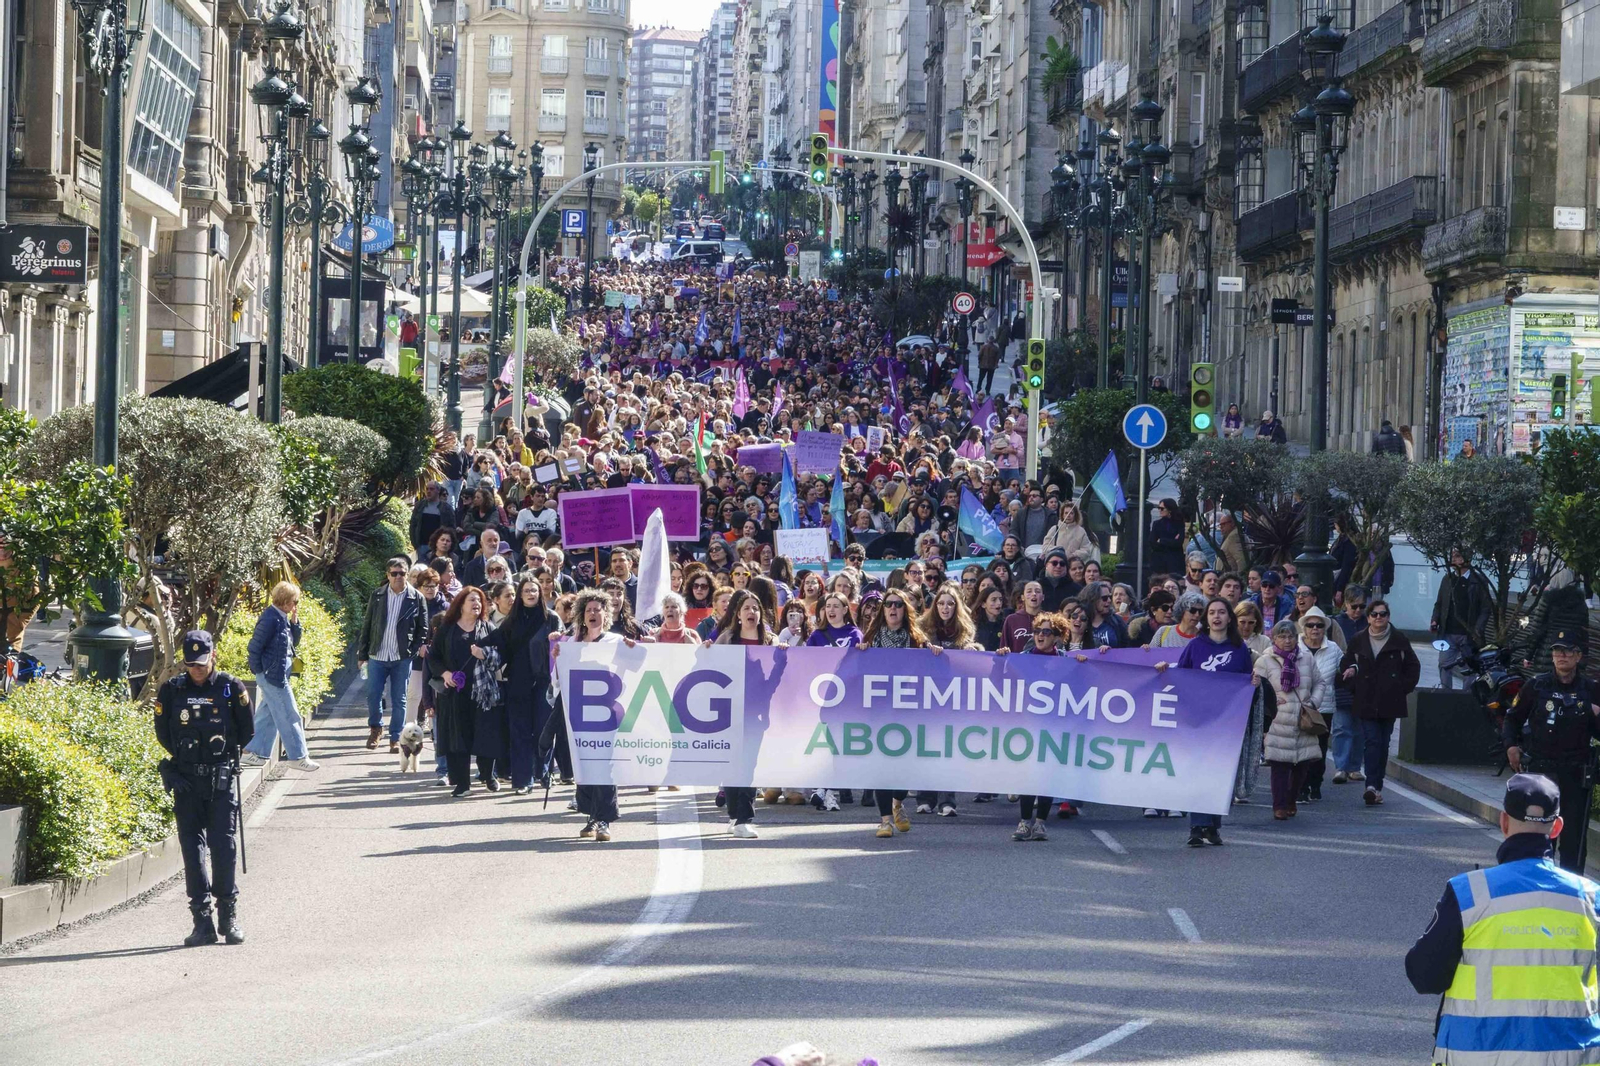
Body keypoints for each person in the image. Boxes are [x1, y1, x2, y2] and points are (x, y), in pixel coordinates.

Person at [1405, 773, 1600, 1064]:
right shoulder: (1591, 897)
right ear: (1556, 827)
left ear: (1504, 822)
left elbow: (1424, 976)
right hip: (1573, 1057)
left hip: (1476, 1056)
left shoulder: (1468, 892)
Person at [154, 630, 254, 946]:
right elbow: (163, 733)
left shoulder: (230, 688)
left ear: (212, 656)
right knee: (192, 850)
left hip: (220, 778)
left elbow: (246, 730)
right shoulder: (171, 690)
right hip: (186, 780)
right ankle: (202, 922)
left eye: (202, 663)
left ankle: (229, 918)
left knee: (224, 847)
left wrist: (223, 758)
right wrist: (183, 763)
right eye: (191, 664)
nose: (197, 669)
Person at [1502, 629, 1600, 874]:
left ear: (1578, 656)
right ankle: (1537, 884)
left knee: (1573, 840)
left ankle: (1570, 891)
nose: (1561, 656)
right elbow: (1512, 719)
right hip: (1541, 774)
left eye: (1567, 651)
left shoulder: (1591, 689)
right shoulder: (1536, 685)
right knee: (1539, 835)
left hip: (1576, 774)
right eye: (1557, 651)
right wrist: (1511, 746)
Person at [1159, 597, 1254, 846]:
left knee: (1220, 773)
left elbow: (1246, 682)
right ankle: (1196, 825)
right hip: (1198, 720)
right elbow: (1182, 675)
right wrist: (1163, 670)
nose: (1216, 617)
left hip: (1226, 722)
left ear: (1229, 618)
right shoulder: (1195, 646)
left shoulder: (1239, 649)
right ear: (1206, 618)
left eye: (1222, 612)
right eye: (1212, 612)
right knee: (1198, 770)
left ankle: (1212, 826)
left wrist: (1254, 682)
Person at [1339, 597, 1421, 807]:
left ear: (1388, 617)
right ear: (1368, 618)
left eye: (1382, 614)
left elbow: (1413, 667)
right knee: (1372, 741)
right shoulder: (1359, 639)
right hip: (1366, 698)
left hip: (1390, 700)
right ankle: (1371, 786)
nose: (1378, 618)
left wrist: (1401, 688)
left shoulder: (1399, 639)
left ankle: (1377, 786)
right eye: (1374, 614)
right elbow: (1346, 662)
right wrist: (1352, 683)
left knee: (1383, 744)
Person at [858, 588, 925, 838]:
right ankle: (885, 820)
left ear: (904, 609)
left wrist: (935, 652)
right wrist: (860, 653)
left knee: (906, 768)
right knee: (882, 766)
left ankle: (898, 803)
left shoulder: (916, 639)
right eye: (888, 604)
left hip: (908, 712)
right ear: (883, 609)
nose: (893, 608)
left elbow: (930, 666)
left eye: (898, 604)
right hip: (879, 712)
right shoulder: (872, 638)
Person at [238, 581, 318, 772]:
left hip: (277, 674)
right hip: (273, 676)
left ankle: (252, 751)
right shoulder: (270, 619)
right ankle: (298, 756)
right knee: (290, 714)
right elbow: (255, 647)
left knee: (269, 715)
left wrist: (295, 624)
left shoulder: (281, 617)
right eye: (294, 601)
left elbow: (292, 644)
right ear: (285, 601)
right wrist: (260, 671)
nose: (295, 605)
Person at [715, 589, 773, 839]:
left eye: (756, 608)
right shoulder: (727, 639)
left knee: (749, 765)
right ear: (738, 615)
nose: (752, 612)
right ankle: (734, 816)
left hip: (756, 714)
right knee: (731, 764)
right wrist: (706, 649)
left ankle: (744, 818)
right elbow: (709, 667)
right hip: (730, 712)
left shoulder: (769, 641)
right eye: (747, 608)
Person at [357, 556, 429, 753]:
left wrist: (411, 651)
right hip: (377, 655)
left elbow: (423, 628)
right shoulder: (378, 595)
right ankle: (375, 727)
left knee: (399, 699)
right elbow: (368, 624)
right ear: (387, 575)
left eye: (402, 573)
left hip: (401, 657)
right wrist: (362, 653)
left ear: (407, 574)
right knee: (373, 695)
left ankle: (395, 737)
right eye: (394, 573)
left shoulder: (416, 597)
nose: (398, 577)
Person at [1258, 618, 1327, 821]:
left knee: (1301, 764)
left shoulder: (1306, 658)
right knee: (1280, 765)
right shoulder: (1265, 660)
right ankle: (1279, 805)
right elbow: (1257, 686)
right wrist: (1270, 701)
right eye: (1282, 636)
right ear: (1274, 638)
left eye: (1291, 636)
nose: (1287, 640)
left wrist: (1314, 702)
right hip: (1278, 720)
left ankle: (1291, 800)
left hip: (1303, 718)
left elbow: (1320, 683)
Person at [1431, 547, 1493, 690]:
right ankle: (1446, 694)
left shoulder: (1478, 581)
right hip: (1448, 632)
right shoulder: (1447, 579)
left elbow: (1485, 608)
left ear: (1467, 559)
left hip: (1469, 634)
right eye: (1452, 556)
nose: (1453, 559)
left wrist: (1477, 629)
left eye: (1457, 556)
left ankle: (1466, 697)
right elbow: (1439, 603)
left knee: (1469, 668)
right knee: (1444, 664)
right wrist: (1435, 619)